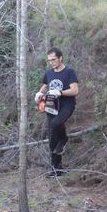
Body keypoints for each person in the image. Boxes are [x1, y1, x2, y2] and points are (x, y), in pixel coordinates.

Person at [34, 47, 79, 177]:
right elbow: (44, 87)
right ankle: (56, 168)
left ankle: (64, 139)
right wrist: (39, 94)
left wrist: (60, 92)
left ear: (60, 58)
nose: (51, 62)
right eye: (49, 60)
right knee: (52, 138)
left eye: (53, 59)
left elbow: (75, 90)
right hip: (51, 106)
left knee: (56, 123)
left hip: (66, 105)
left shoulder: (69, 72)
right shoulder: (48, 73)